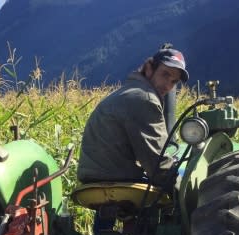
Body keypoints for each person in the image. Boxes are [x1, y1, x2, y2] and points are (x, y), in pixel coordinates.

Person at [77, 48, 189, 187]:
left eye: (174, 81)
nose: (168, 85)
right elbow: (158, 165)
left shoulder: (128, 91)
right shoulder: (145, 98)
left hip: (91, 180)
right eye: (165, 74)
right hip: (117, 180)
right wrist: (184, 189)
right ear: (149, 68)